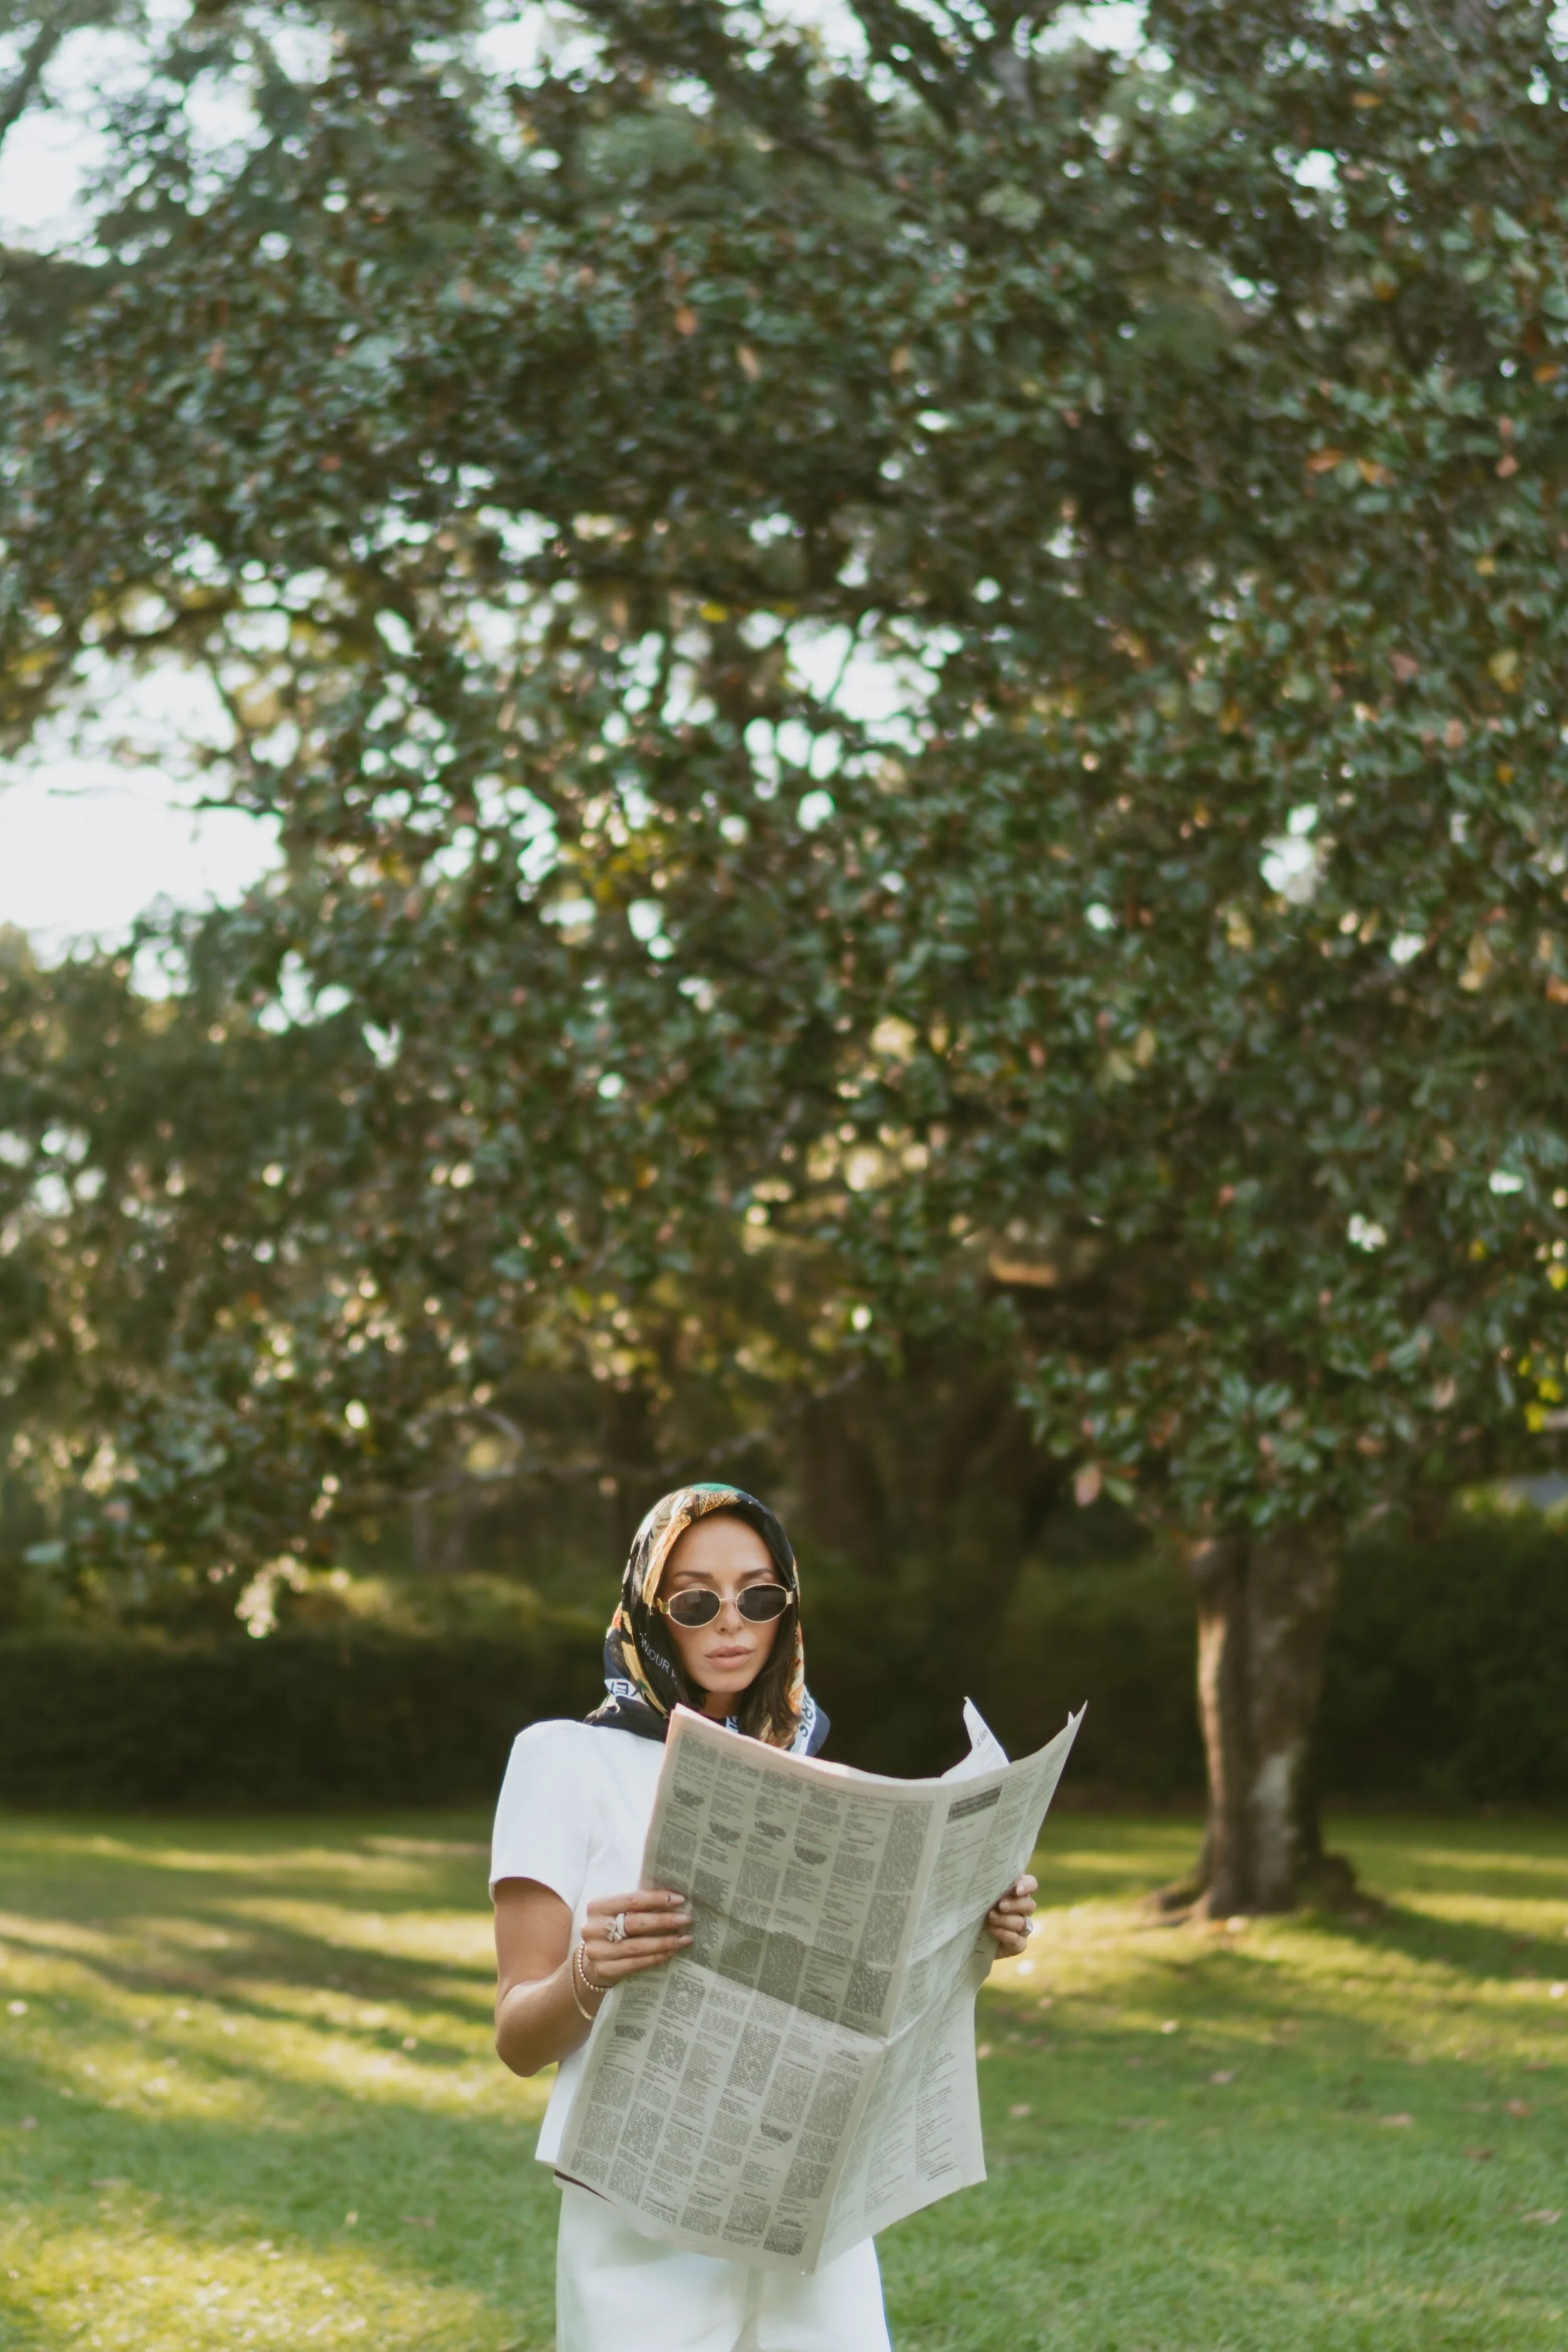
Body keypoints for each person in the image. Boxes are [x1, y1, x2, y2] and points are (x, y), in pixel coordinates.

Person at [491, 1481, 1037, 2352]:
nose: (732, 1621)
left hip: (806, 2189)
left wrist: (979, 1922)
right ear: (648, 1607)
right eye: (697, 1599)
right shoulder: (561, 1759)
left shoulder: (820, 1779)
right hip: (641, 2200)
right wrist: (589, 1970)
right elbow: (518, 2037)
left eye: (760, 1595)